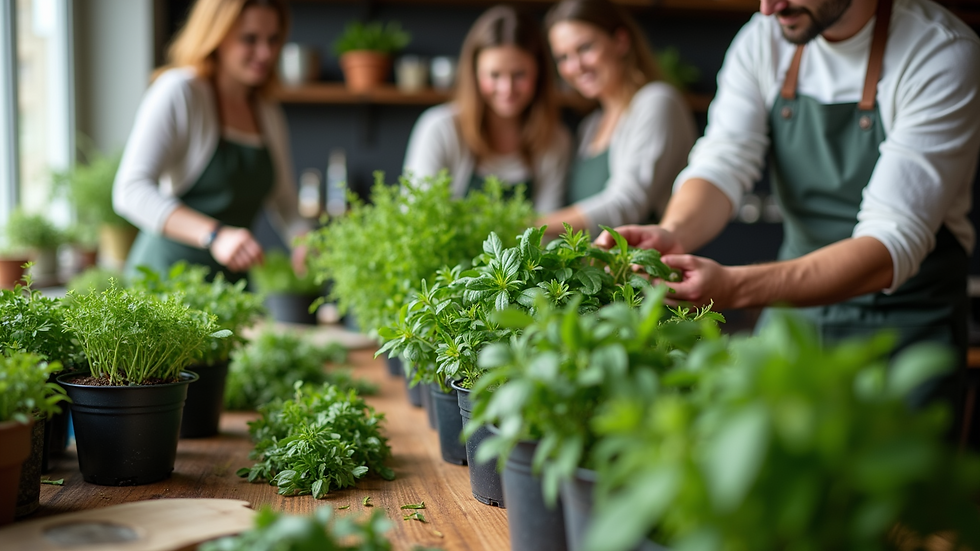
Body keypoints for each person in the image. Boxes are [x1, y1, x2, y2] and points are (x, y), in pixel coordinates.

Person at [598, 0, 980, 441]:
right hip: (795, 319)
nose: (768, 7)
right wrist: (672, 231)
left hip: (906, 329)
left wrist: (734, 287)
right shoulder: (765, 38)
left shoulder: (939, 52)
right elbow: (723, 162)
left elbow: (889, 242)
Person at [114, 0, 308, 282]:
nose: (265, 53)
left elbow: (284, 200)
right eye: (249, 39)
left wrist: (302, 238)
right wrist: (214, 235)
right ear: (216, 35)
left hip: (227, 287)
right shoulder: (180, 91)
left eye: (273, 39)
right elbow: (130, 191)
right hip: (164, 282)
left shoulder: (268, 112)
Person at [539, 0, 697, 238]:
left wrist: (528, 225)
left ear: (620, 41)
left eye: (585, 48)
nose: (576, 66)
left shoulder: (656, 102)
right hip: (598, 274)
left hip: (646, 271)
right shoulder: (590, 127)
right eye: (563, 57)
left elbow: (627, 204)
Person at [403, 6, 571, 212]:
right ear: (475, 74)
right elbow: (417, 213)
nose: (506, 88)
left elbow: (548, 231)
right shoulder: (440, 129)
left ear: (539, 72)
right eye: (494, 75)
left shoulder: (556, 142)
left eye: (519, 74)